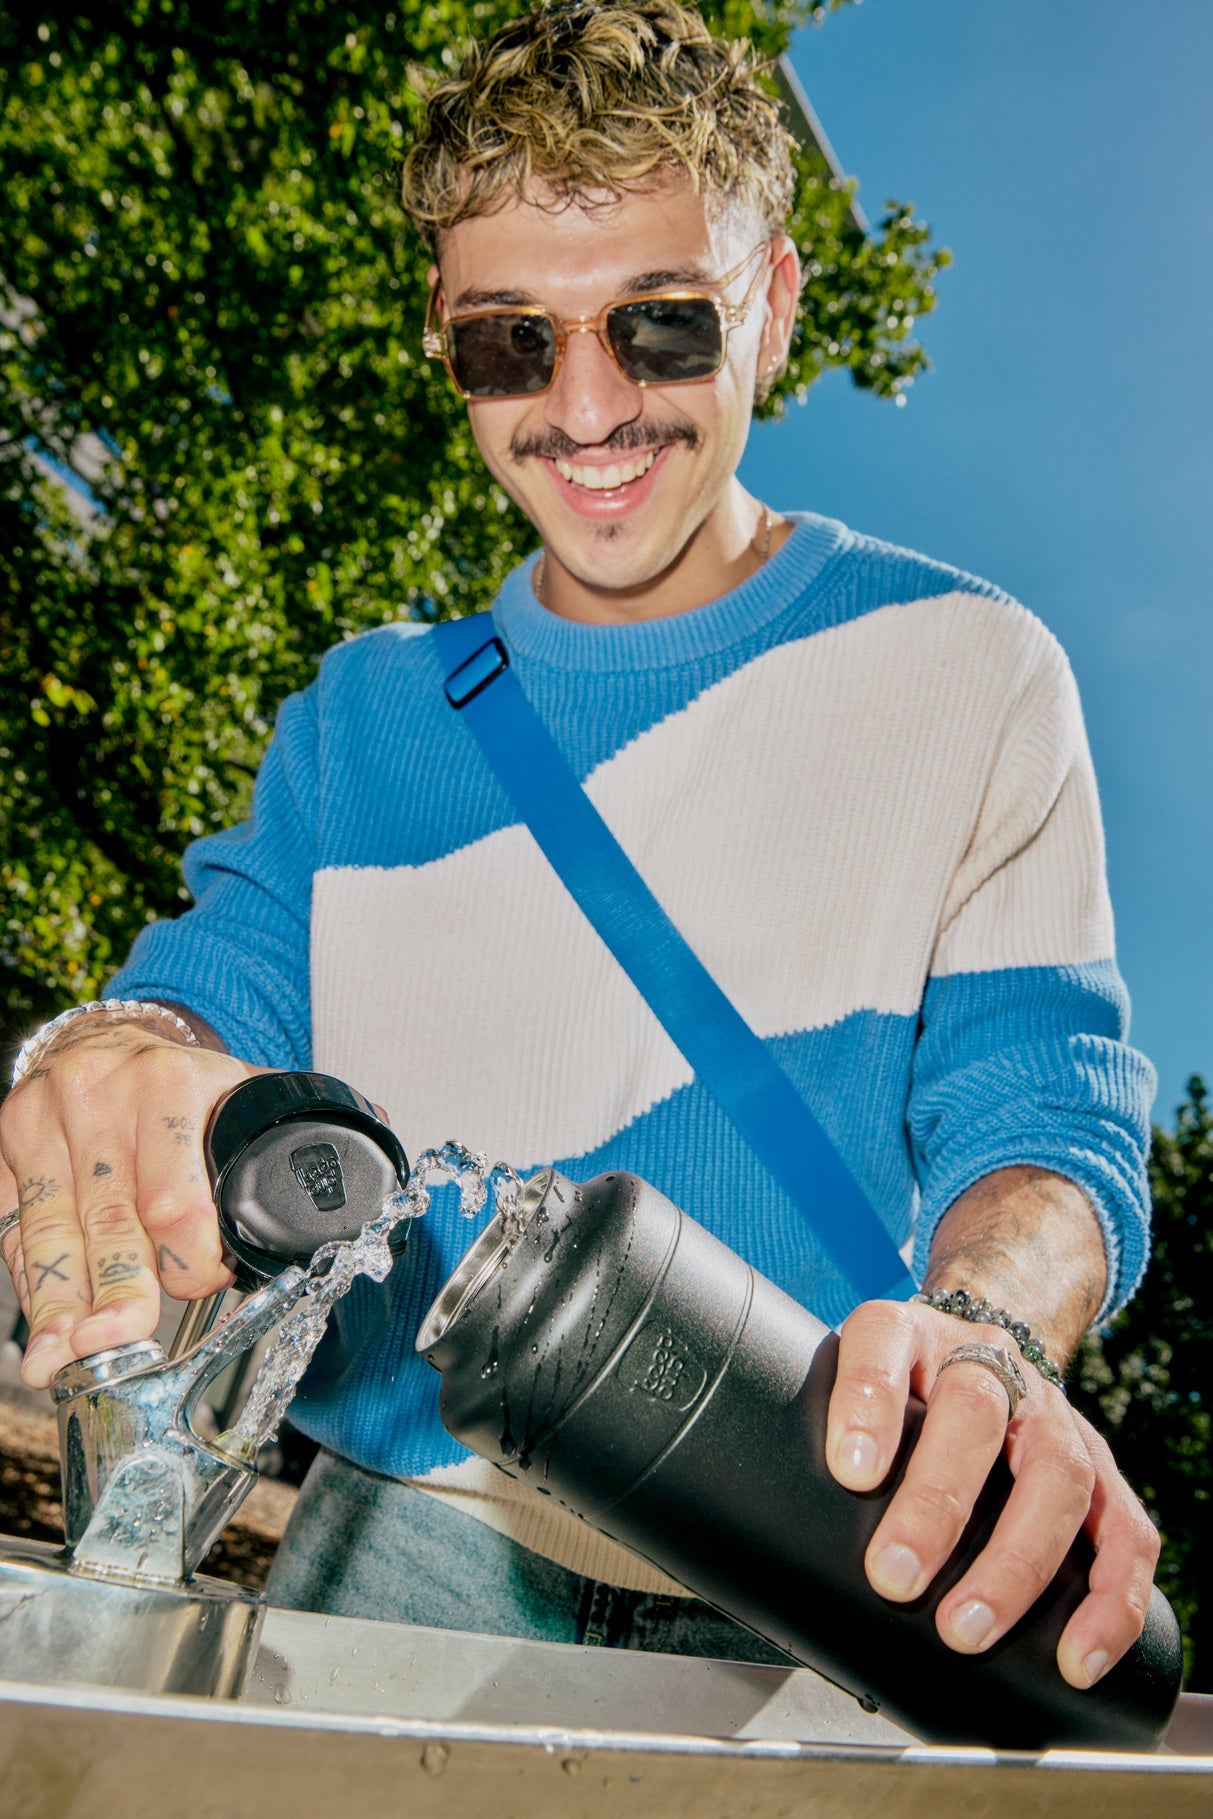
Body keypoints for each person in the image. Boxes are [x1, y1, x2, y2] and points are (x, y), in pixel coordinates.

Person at [0, 0, 1160, 1686]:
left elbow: (1038, 1113)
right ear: (440, 339)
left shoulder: (967, 669)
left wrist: (985, 1339)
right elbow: (199, 1001)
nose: (588, 409)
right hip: (403, 1537)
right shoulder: (359, 717)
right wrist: (113, 1058)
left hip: (825, 1543)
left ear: (769, 306)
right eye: (509, 343)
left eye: (662, 326)